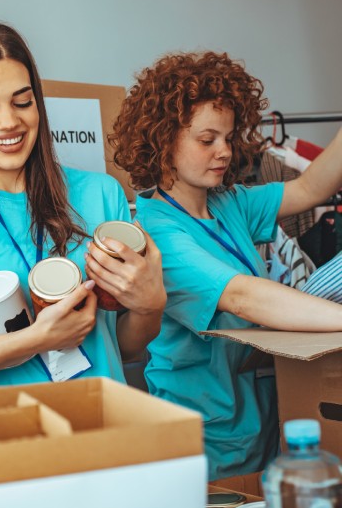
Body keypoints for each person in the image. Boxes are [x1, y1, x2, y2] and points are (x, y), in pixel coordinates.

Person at [0, 23, 166, 393]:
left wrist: (150, 305)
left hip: (105, 431)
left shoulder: (102, 195)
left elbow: (124, 347)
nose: (9, 121)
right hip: (6, 440)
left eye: (23, 102)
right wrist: (34, 340)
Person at [109, 50, 342, 481]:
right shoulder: (156, 233)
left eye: (229, 138)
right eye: (207, 139)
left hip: (266, 416)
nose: (224, 151)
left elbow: (309, 188)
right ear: (164, 139)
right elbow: (241, 295)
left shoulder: (229, 202)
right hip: (209, 432)